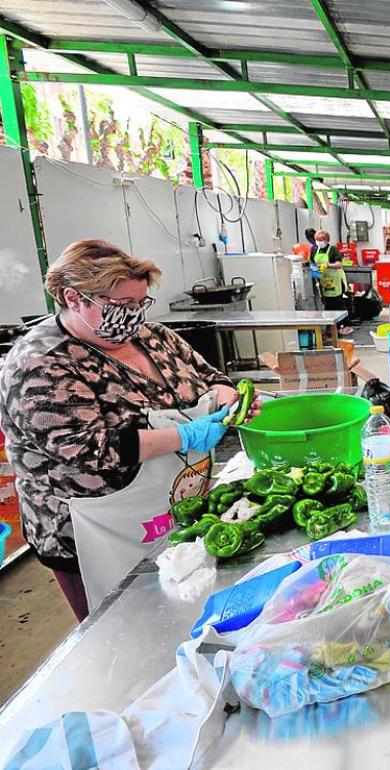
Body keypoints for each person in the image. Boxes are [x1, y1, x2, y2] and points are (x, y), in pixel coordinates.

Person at [0, 241, 257, 621]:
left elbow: (208, 377)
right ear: (74, 298)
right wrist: (186, 436)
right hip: (92, 529)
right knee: (120, 628)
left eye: (141, 303)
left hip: (170, 506)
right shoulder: (39, 363)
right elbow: (90, 450)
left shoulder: (153, 337)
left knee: (184, 611)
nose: (133, 315)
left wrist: (227, 397)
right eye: (121, 305)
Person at [320, 251, 353, 336]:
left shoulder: (334, 265)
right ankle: (332, 328)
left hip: (337, 288)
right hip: (328, 289)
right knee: (330, 307)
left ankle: (344, 326)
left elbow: (340, 271)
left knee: (339, 306)